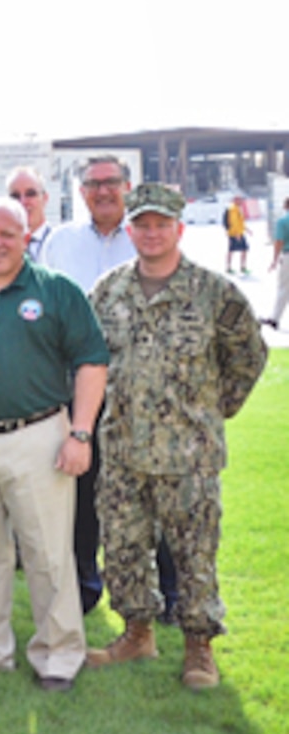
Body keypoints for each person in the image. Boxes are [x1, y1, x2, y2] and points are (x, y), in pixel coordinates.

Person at [86, 184, 267, 690]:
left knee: (194, 554)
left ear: (178, 229)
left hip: (189, 455)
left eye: (161, 224)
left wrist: (212, 411)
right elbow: (88, 359)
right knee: (122, 547)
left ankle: (198, 647)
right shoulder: (107, 291)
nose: (151, 232)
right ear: (130, 230)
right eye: (142, 224)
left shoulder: (215, 292)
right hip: (122, 449)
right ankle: (137, 633)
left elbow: (249, 357)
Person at [0, 198, 108, 693]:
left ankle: (59, 657)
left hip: (40, 437)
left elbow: (92, 362)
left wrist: (80, 433)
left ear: (25, 236)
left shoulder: (57, 291)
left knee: (48, 553)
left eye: (7, 234)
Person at [41, 154, 162, 619]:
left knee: (153, 494)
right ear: (82, 191)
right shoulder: (60, 242)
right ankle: (84, 588)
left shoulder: (148, 235)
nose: (103, 191)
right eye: (93, 184)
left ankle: (165, 592)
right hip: (79, 389)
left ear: (128, 186)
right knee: (82, 493)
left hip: (146, 393)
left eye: (112, 182)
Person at [6, 167, 53, 261]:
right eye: (15, 196)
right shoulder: (0, 247)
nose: (22, 202)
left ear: (45, 198)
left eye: (30, 194)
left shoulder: (61, 242)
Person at [265, 197, 289, 328]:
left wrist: (274, 260)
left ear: (286, 206)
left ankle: (275, 318)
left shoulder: (283, 221)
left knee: (284, 288)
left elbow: (279, 241)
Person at [224, 195, 249, 275]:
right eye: (240, 200)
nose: (241, 202)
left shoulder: (237, 209)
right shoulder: (233, 209)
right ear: (235, 201)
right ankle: (229, 267)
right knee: (231, 250)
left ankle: (242, 267)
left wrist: (246, 229)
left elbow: (239, 222)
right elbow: (234, 222)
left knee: (243, 249)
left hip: (239, 232)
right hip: (234, 233)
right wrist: (237, 234)